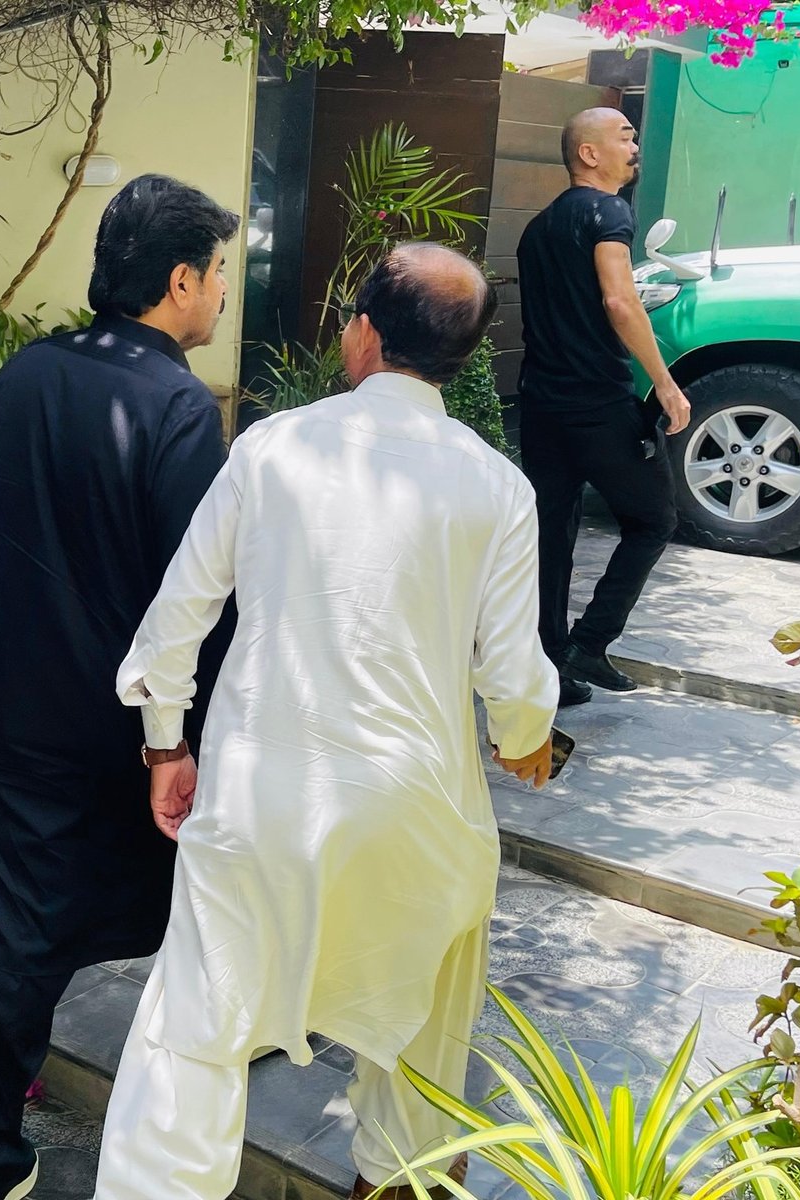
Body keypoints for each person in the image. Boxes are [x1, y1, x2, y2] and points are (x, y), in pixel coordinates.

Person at [95, 244, 560, 1200]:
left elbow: (178, 619)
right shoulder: (498, 488)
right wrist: (526, 741)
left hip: (261, 802)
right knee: (426, 1032)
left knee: (194, 1039)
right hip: (418, 813)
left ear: (366, 333)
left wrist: (167, 745)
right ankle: (396, 1179)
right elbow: (513, 674)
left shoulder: (272, 448)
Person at [0, 174, 240, 1200]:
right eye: (217, 273)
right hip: (124, 734)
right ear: (178, 280)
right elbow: (195, 596)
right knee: (186, 926)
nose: (221, 293)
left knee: (9, 939)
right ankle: (168, 1142)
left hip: (16, 706)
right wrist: (186, 736)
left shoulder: (24, 373)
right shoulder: (177, 407)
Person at [516, 107, 688, 707]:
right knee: (654, 520)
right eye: (625, 136)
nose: (635, 145)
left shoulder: (537, 228)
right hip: (597, 404)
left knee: (551, 535)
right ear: (589, 154)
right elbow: (619, 301)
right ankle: (589, 644)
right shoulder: (608, 212)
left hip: (541, 408)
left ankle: (549, 669)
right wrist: (664, 382)